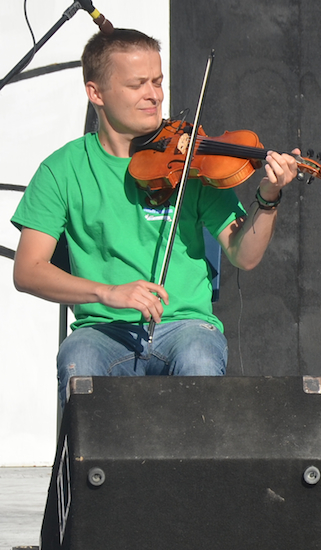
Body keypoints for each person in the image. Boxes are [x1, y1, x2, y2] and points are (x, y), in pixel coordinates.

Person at [11, 29, 301, 407]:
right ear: (95, 93)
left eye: (158, 82)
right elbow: (28, 270)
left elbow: (243, 255)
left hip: (185, 326)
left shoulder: (191, 161)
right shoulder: (62, 169)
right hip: (101, 329)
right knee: (79, 357)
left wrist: (268, 198)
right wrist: (109, 293)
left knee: (199, 356)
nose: (155, 96)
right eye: (137, 85)